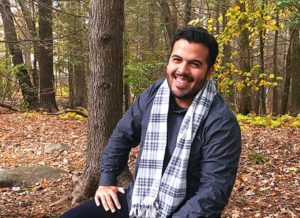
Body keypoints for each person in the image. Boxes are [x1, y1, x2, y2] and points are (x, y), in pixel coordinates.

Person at [61, 26, 241, 218]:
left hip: (187, 211)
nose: (182, 70)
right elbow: (122, 136)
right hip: (140, 201)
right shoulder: (155, 94)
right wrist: (106, 181)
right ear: (169, 61)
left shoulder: (221, 122)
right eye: (177, 60)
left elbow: (212, 194)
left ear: (209, 71)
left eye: (194, 64)